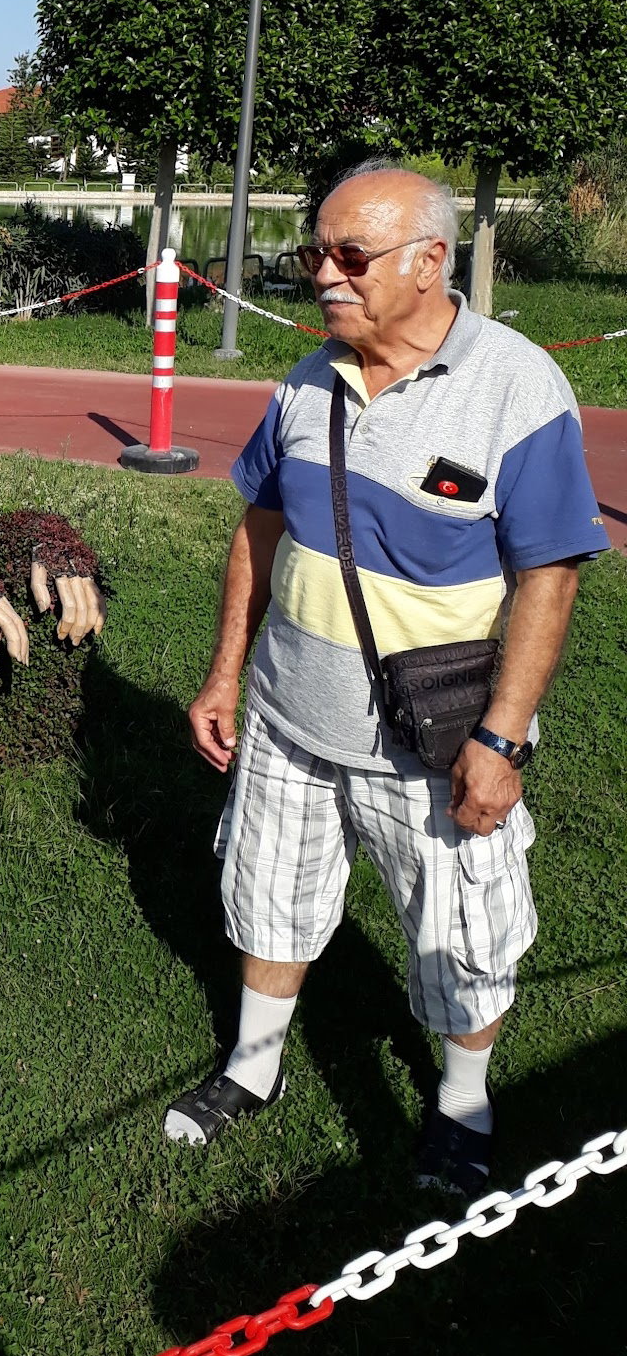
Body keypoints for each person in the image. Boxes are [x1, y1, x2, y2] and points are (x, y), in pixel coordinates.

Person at [166, 163, 607, 1194]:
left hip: (436, 736)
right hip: (285, 715)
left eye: (348, 256)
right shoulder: (307, 377)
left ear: (429, 261)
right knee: (266, 897)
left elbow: (549, 577)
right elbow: (258, 525)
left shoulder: (517, 386)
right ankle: (253, 1065)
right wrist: (227, 667)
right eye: (311, 252)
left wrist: (501, 739)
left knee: (462, 932)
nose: (324, 273)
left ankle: (462, 1105)